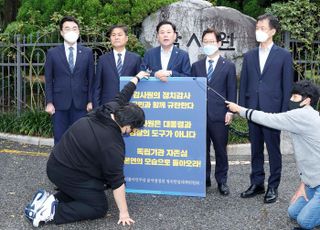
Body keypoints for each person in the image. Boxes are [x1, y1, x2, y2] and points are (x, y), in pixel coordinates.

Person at [24, 72, 150, 227]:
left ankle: (50, 200)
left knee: (95, 188)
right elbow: (117, 181)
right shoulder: (113, 144)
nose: (132, 132)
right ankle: (51, 213)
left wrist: (136, 78)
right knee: (98, 206)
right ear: (128, 126)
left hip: (57, 163)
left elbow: (123, 94)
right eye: (134, 129)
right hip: (66, 172)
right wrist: (124, 213)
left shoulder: (109, 109)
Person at [227, 80, 320, 229]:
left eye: (295, 97)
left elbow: (269, 118)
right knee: (293, 212)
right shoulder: (307, 115)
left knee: (304, 222)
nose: (290, 100)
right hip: (314, 182)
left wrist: (239, 109)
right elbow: (311, 158)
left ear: (307, 100)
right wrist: (304, 184)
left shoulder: (303, 115)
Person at [238, 13, 294, 203]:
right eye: (257, 28)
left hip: (273, 111)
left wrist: (283, 112)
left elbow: (287, 85)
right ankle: (257, 183)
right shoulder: (249, 55)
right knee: (255, 149)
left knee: (273, 149)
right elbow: (244, 83)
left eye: (262, 28)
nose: (258, 31)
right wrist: (242, 109)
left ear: (273, 31)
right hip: (253, 108)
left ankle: (273, 186)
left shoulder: (284, 56)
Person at [191, 28, 237, 195]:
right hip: (200, 116)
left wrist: (231, 112)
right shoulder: (196, 66)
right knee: (201, 149)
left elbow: (232, 91)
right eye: (205, 42)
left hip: (219, 115)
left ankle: (222, 181)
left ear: (219, 43)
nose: (208, 45)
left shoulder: (228, 66)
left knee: (220, 150)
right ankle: (204, 178)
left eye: (211, 41)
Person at [45, 16, 94, 144]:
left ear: (78, 31)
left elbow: (91, 79)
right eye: (67, 28)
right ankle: (59, 164)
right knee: (60, 138)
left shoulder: (87, 53)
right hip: (59, 104)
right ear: (61, 32)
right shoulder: (52, 53)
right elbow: (49, 80)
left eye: (74, 28)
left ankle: (78, 164)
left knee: (80, 139)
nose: (71, 31)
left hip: (81, 104)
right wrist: (49, 102)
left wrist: (90, 100)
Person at [94, 25, 142, 107]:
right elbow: (97, 86)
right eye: (113, 35)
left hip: (129, 104)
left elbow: (140, 84)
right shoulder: (103, 59)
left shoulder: (136, 58)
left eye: (119, 35)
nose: (116, 37)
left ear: (126, 38)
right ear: (110, 38)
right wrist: (96, 108)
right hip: (107, 105)